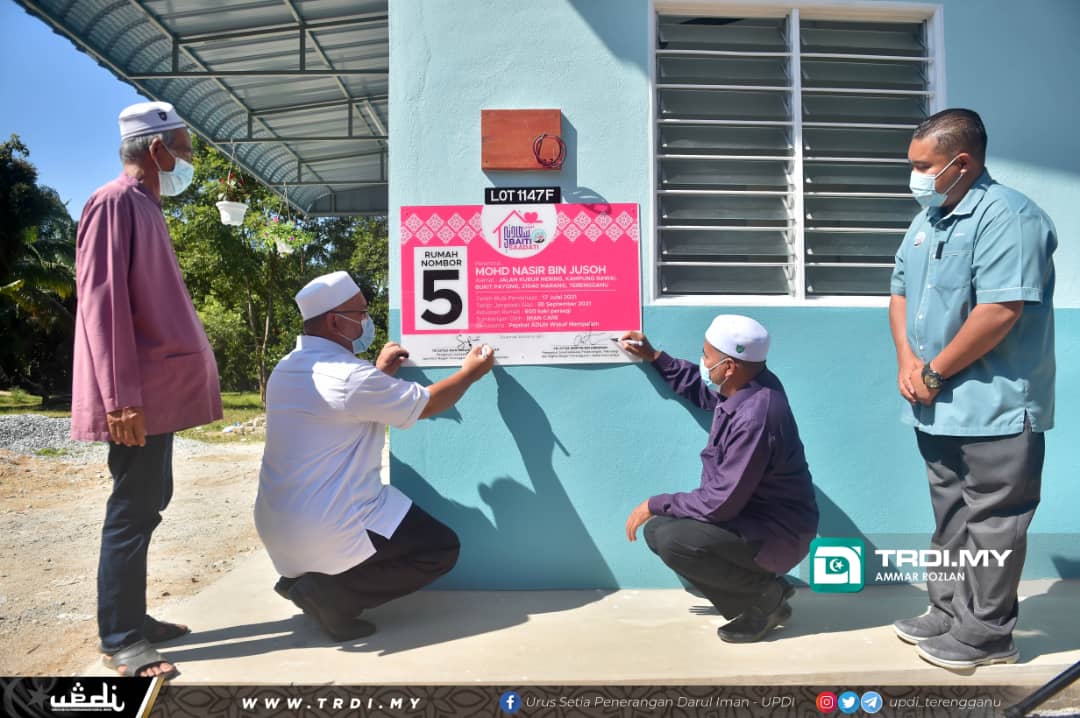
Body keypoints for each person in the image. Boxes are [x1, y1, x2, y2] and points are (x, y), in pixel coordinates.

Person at [888, 108, 1056, 669]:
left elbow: (1001, 310)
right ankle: (947, 611)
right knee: (952, 518)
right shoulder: (927, 221)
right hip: (936, 407)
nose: (915, 177)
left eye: (923, 166)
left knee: (994, 524)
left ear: (960, 163)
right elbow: (898, 292)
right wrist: (908, 361)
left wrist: (934, 373)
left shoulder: (1010, 217)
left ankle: (986, 636)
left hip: (996, 406)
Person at [254, 271, 494, 641]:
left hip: (279, 527)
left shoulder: (287, 367)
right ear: (335, 321)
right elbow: (427, 404)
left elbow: (339, 405)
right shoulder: (349, 377)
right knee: (440, 548)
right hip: (328, 523)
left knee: (389, 521)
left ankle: (301, 581)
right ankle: (331, 595)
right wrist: (469, 374)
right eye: (360, 313)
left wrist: (379, 373)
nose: (366, 321)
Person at [71, 102, 223, 679]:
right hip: (136, 399)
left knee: (150, 502)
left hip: (155, 395)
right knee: (132, 510)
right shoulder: (113, 203)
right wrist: (120, 399)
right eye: (184, 150)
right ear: (157, 150)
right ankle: (121, 639)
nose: (188, 160)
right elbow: (104, 306)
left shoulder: (147, 207)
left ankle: (132, 616)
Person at [620, 316, 819, 643]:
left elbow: (719, 503)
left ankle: (765, 599)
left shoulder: (756, 417)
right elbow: (706, 395)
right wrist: (655, 357)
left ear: (728, 367)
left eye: (706, 355)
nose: (702, 361)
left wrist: (653, 503)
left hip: (775, 534)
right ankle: (764, 589)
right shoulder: (752, 384)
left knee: (673, 540)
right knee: (658, 530)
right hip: (753, 519)